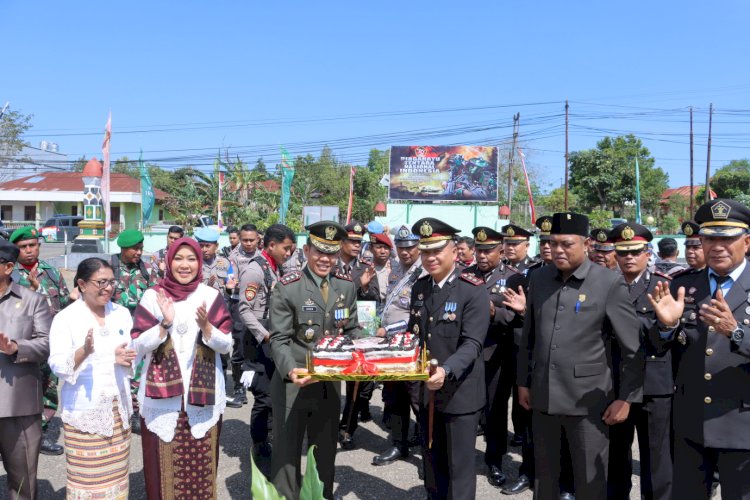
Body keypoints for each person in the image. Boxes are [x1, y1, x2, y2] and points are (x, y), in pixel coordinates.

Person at [517, 212, 643, 500]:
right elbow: (529, 337)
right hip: (543, 396)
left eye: (567, 244)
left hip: (588, 401)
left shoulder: (608, 282)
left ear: (586, 244)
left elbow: (632, 349)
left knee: (590, 480)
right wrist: (523, 382)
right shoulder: (539, 278)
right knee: (545, 478)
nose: (558, 250)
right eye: (553, 243)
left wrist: (626, 399)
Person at [647, 199, 750, 499]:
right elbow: (659, 348)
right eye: (710, 238)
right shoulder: (684, 286)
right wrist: (665, 327)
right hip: (692, 421)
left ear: (747, 241)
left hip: (741, 422)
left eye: (727, 238)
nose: (718, 246)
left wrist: (737, 332)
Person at [131, 237, 233, 499]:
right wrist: (164, 324)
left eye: (191, 259)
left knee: (202, 468)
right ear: (168, 261)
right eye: (178, 258)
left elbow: (226, 346)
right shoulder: (153, 296)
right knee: (160, 471)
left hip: (203, 399)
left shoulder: (211, 296)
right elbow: (138, 345)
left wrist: (208, 327)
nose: (184, 265)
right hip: (162, 402)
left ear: (200, 263)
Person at [268, 221, 359, 500]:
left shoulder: (346, 287)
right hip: (293, 383)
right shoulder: (288, 287)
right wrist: (290, 370)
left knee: (324, 455)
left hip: (328, 386)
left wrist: (367, 352)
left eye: (331, 253)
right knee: (286, 458)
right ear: (306, 251)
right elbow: (279, 339)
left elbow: (353, 331)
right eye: (319, 252)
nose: (325, 259)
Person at [407, 217, 490, 500]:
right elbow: (414, 336)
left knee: (459, 469)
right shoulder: (420, 288)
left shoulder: (472, 288)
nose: (430, 258)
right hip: (427, 392)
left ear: (454, 252)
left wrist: (446, 369)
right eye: (425, 251)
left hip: (460, 392)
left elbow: (473, 342)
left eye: (436, 251)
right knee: (432, 463)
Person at [48, 258, 136, 499]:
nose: (108, 288)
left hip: (119, 409)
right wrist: (84, 352)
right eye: (101, 282)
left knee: (117, 480)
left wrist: (127, 357)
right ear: (82, 284)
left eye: (111, 282)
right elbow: (57, 365)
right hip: (85, 413)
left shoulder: (121, 313)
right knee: (88, 483)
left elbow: (133, 355)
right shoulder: (66, 319)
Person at [607, 223, 673, 500]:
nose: (629, 258)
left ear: (648, 253)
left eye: (635, 252)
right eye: (623, 253)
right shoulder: (605, 285)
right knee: (615, 455)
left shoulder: (663, 284)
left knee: (656, 458)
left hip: (653, 386)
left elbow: (665, 337)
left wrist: (666, 325)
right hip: (614, 383)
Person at [465, 226, 523, 489]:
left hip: (496, 355)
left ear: (501, 250)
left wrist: (493, 313)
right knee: (465, 410)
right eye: (479, 250)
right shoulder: (465, 275)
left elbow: (517, 319)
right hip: (467, 355)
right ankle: (462, 458)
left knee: (494, 412)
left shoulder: (513, 278)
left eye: (488, 250)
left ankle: (494, 461)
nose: (482, 255)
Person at [10, 225, 73, 455]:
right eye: (23, 247)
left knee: (47, 389)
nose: (28, 250)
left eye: (32, 245)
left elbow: (64, 304)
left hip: (49, 342)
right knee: (14, 390)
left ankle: (40, 434)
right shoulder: (9, 273)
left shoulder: (52, 272)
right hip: (18, 345)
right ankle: (10, 438)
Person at [237, 223, 296, 459]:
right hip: (259, 342)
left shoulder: (275, 268)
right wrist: (265, 334)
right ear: (271, 246)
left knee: (276, 392)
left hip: (273, 338)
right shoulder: (255, 270)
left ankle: (271, 436)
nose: (289, 253)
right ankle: (260, 443)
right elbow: (244, 309)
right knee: (264, 397)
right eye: (286, 248)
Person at [0, 239, 52, 500]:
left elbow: (46, 344)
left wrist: (15, 348)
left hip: (17, 405)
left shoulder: (33, 301)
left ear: (8, 267)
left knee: (22, 484)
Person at [372, 225, 425, 466]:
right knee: (394, 397)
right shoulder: (395, 270)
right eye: (401, 247)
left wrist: (388, 329)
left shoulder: (423, 274)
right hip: (390, 346)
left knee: (417, 400)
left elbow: (418, 314)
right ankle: (398, 444)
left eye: (410, 247)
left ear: (419, 248)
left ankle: (428, 455)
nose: (405, 252)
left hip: (411, 345)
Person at [335, 221, 380, 449]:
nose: (355, 245)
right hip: (331, 331)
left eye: (359, 242)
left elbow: (374, 300)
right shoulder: (328, 263)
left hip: (356, 331)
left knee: (355, 385)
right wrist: (355, 284)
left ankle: (347, 428)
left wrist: (363, 288)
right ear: (341, 241)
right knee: (329, 382)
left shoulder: (365, 267)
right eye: (351, 241)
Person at [111, 228, 159, 432]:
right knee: (116, 370)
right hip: (115, 329)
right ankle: (116, 411)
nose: (139, 252)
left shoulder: (147, 269)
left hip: (140, 329)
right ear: (123, 248)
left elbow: (157, 296)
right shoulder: (108, 268)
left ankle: (136, 413)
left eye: (141, 248)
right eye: (135, 249)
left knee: (138, 371)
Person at [228, 223, 262, 399]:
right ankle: (238, 385)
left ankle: (257, 380)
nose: (248, 243)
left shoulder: (263, 256)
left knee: (258, 343)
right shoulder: (233, 257)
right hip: (239, 304)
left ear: (258, 239)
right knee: (240, 345)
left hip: (260, 306)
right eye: (245, 240)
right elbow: (231, 280)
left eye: (252, 240)